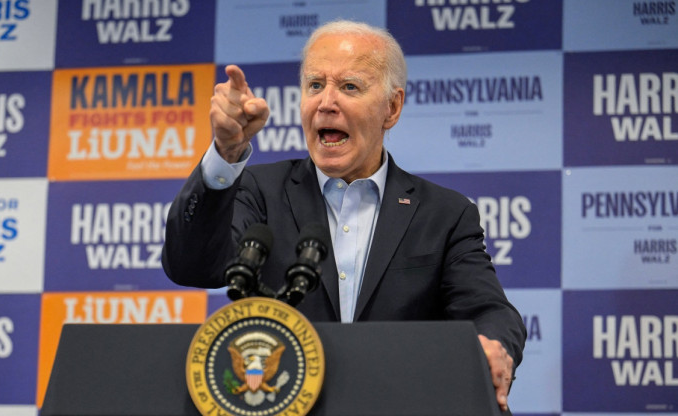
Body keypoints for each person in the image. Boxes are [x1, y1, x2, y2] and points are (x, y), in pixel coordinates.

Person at [162, 20, 526, 412]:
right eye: (315, 85)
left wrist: (493, 344)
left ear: (392, 107)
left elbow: (490, 311)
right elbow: (191, 266)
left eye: (349, 86)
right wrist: (226, 153)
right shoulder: (258, 191)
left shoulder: (445, 214)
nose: (326, 102)